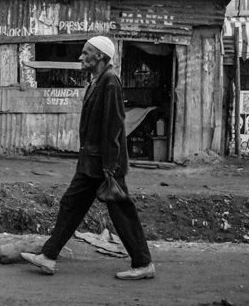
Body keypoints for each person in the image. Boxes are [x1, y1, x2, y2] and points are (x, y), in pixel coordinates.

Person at [20, 36, 155, 280]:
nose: (81, 57)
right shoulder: (97, 81)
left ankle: (143, 264)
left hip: (104, 165)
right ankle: (48, 256)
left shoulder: (110, 81)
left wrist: (110, 167)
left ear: (101, 56)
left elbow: (114, 126)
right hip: (91, 162)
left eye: (86, 52)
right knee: (71, 205)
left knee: (122, 212)